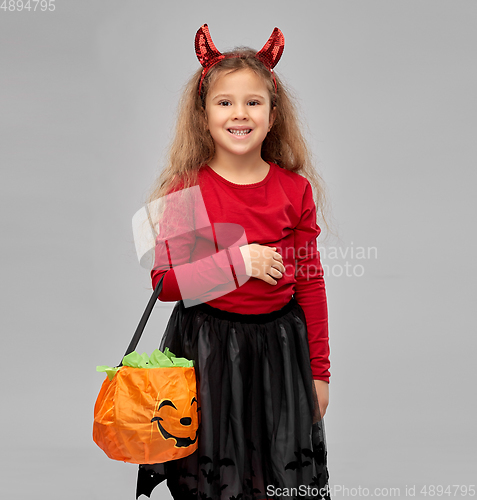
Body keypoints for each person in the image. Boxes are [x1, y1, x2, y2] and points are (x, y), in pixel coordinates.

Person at [136, 24, 333, 500]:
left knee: (274, 473)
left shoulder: (295, 190)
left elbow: (309, 281)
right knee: (212, 475)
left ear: (271, 114)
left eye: (253, 102)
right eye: (224, 102)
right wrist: (238, 262)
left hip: (279, 351)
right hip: (207, 348)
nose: (239, 114)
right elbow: (166, 284)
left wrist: (320, 371)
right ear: (203, 116)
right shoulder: (186, 189)